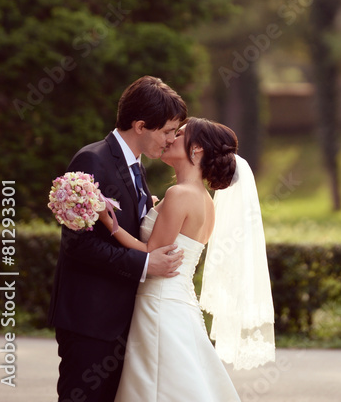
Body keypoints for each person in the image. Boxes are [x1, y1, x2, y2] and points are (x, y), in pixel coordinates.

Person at [99, 117, 275, 402]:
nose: (170, 138)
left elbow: (150, 252)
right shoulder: (204, 199)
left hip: (159, 301)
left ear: (197, 150)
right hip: (178, 301)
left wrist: (111, 225)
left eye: (179, 134)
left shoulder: (180, 194)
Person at [48, 75, 187, 402]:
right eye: (167, 131)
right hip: (90, 320)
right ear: (140, 125)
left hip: (121, 321)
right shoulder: (93, 160)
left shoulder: (137, 167)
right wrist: (146, 263)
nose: (170, 140)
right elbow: (78, 244)